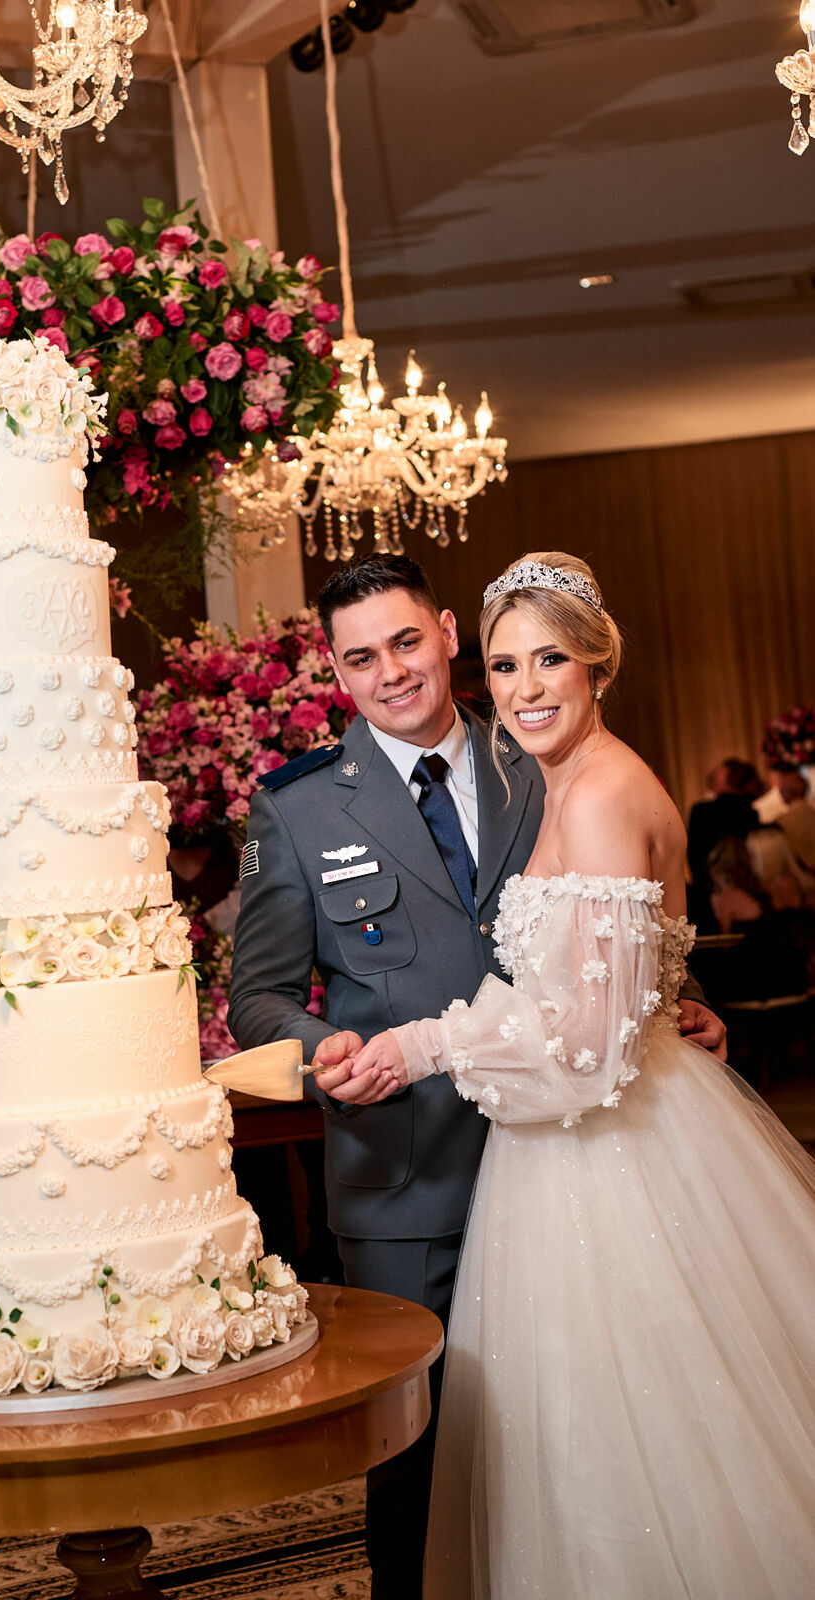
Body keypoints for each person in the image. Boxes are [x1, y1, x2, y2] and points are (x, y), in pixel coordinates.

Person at [228, 553, 724, 1600]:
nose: (392, 672)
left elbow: (609, 934)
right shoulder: (301, 808)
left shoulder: (540, 745)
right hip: (410, 1177)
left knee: (588, 1437)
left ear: (450, 633)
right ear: (336, 669)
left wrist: (662, 1004)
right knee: (418, 1458)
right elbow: (257, 998)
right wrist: (320, 1047)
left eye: (408, 641)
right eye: (360, 657)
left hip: (574, 1160)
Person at [330, 553, 815, 1599]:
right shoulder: (559, 780)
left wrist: (425, 1047)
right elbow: (593, 987)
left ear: (598, 665)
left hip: (614, 1154)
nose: (526, 687)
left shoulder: (599, 795)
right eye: (505, 666)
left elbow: (586, 1053)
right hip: (583, 1142)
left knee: (637, 1427)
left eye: (551, 659)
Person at [685, 757, 760, 930]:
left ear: (726, 780)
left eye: (718, 776)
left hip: (708, 897)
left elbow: (694, 856)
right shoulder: (751, 813)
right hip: (749, 894)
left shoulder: (701, 812)